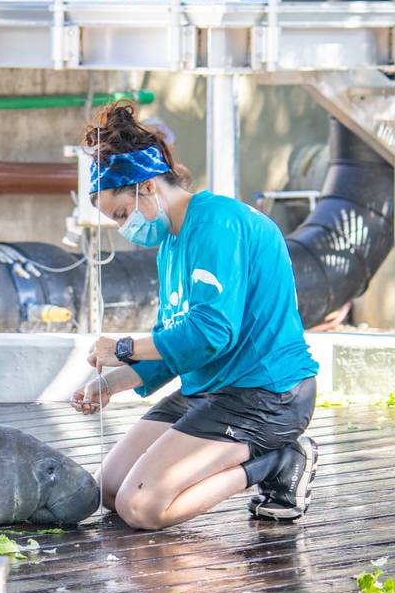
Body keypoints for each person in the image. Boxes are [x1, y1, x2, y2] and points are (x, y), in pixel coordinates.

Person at [71, 101, 319, 529]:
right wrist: (109, 384)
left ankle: (277, 461)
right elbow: (176, 346)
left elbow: (209, 333)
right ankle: (260, 456)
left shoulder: (217, 224)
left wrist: (123, 348)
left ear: (146, 186)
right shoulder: (171, 242)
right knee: (110, 490)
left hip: (266, 395)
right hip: (211, 388)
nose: (125, 226)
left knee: (143, 507)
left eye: (122, 214)